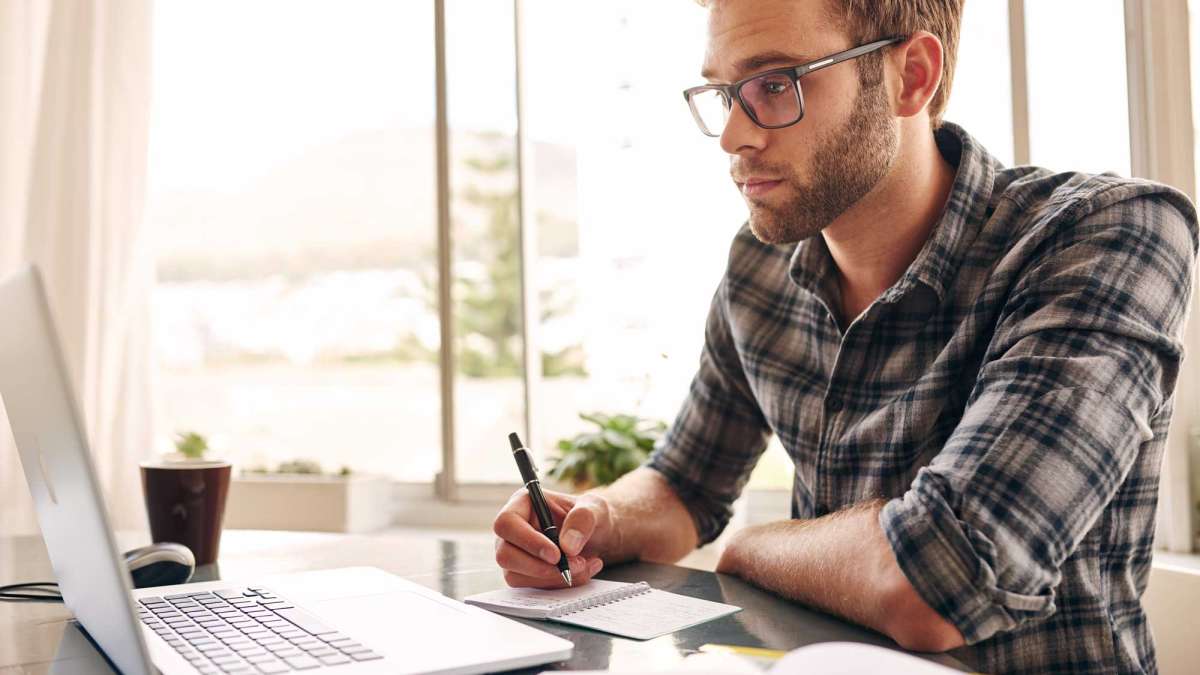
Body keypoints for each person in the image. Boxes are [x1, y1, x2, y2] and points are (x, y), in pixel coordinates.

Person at [492, 1, 1197, 672]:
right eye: (723, 93)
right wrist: (595, 519)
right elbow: (686, 481)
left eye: (775, 84)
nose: (736, 136)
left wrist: (750, 548)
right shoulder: (760, 265)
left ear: (912, 76)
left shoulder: (1107, 235)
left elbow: (942, 578)